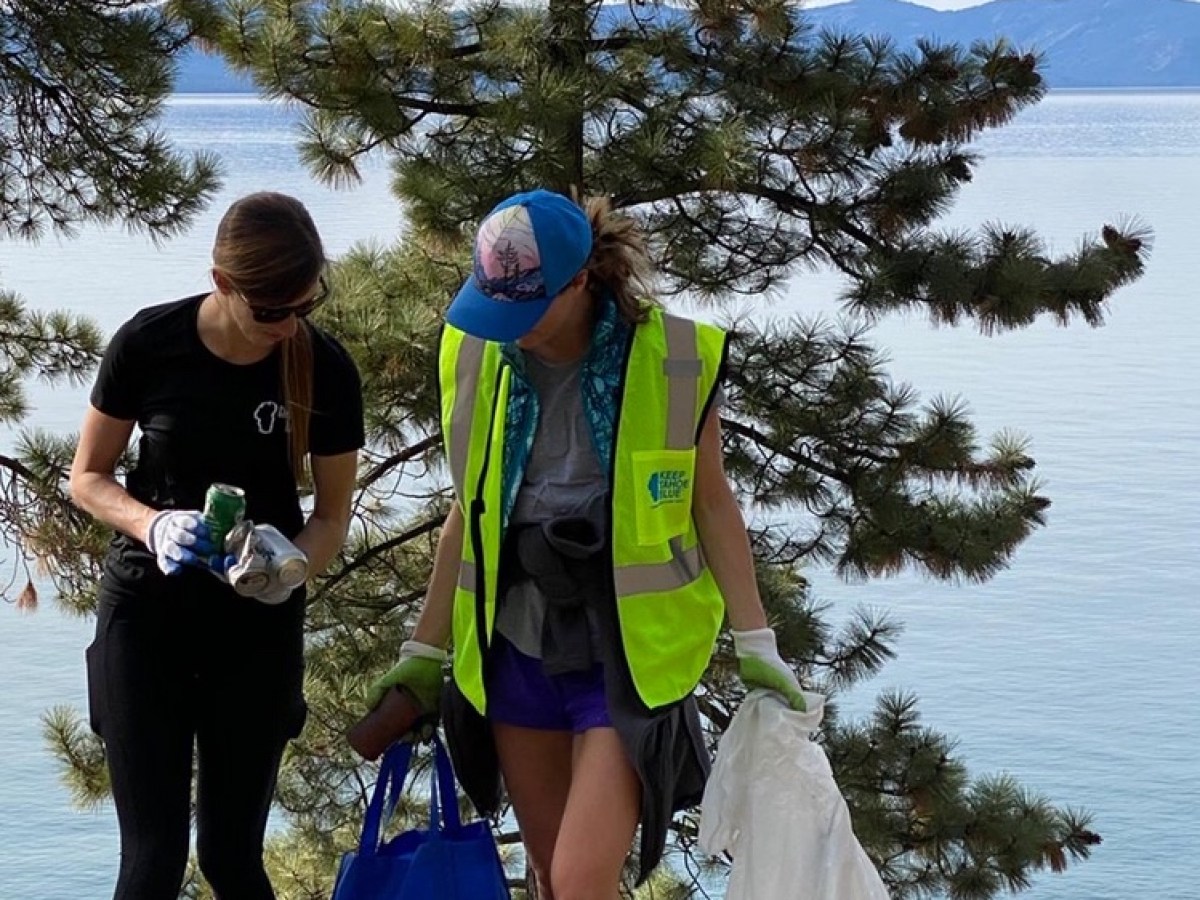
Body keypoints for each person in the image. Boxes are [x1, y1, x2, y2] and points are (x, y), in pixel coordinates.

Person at [366, 188, 806, 900]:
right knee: (551, 880)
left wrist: (756, 641)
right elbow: (467, 509)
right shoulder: (477, 353)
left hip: (624, 655)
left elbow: (712, 502)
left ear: (581, 280)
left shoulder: (675, 357)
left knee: (577, 880)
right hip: (515, 644)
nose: (507, 328)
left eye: (524, 309)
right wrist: (424, 651)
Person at [68, 192, 364, 900]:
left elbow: (329, 517)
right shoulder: (150, 342)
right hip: (147, 615)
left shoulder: (325, 369)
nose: (288, 325)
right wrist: (152, 523)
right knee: (152, 862)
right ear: (223, 283)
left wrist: (290, 571)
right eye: (271, 310)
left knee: (232, 858)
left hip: (255, 628)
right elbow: (87, 477)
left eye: (304, 306)